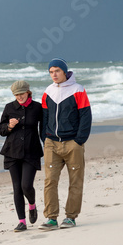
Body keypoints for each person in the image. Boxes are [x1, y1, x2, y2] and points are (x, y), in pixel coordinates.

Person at [39, 58, 92, 230]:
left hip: (72, 143)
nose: (54, 74)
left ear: (64, 72)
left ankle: (70, 217)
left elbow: (85, 116)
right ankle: (51, 218)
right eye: (51, 72)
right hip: (51, 144)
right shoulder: (48, 91)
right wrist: (45, 138)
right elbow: (45, 117)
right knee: (50, 181)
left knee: (75, 181)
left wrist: (79, 141)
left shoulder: (78, 90)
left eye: (57, 71)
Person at [0, 80, 44, 232]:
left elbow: (44, 128)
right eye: (16, 95)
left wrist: (49, 144)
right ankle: (22, 222)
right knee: (17, 187)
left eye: (22, 94)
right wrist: (9, 126)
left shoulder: (37, 107)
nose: (19, 97)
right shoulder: (9, 107)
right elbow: (0, 129)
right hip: (12, 152)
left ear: (28, 92)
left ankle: (32, 205)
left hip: (31, 151)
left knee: (26, 186)